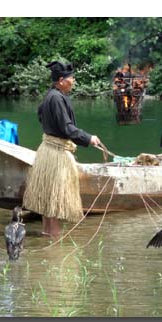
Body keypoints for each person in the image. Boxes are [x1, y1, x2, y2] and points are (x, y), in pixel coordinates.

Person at [23, 61, 101, 237]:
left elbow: (41, 117)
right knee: (55, 202)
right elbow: (67, 128)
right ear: (61, 80)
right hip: (55, 154)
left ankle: (46, 235)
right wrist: (88, 138)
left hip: (47, 151)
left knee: (47, 201)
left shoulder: (50, 96)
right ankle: (55, 244)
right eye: (71, 78)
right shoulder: (57, 98)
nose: (73, 81)